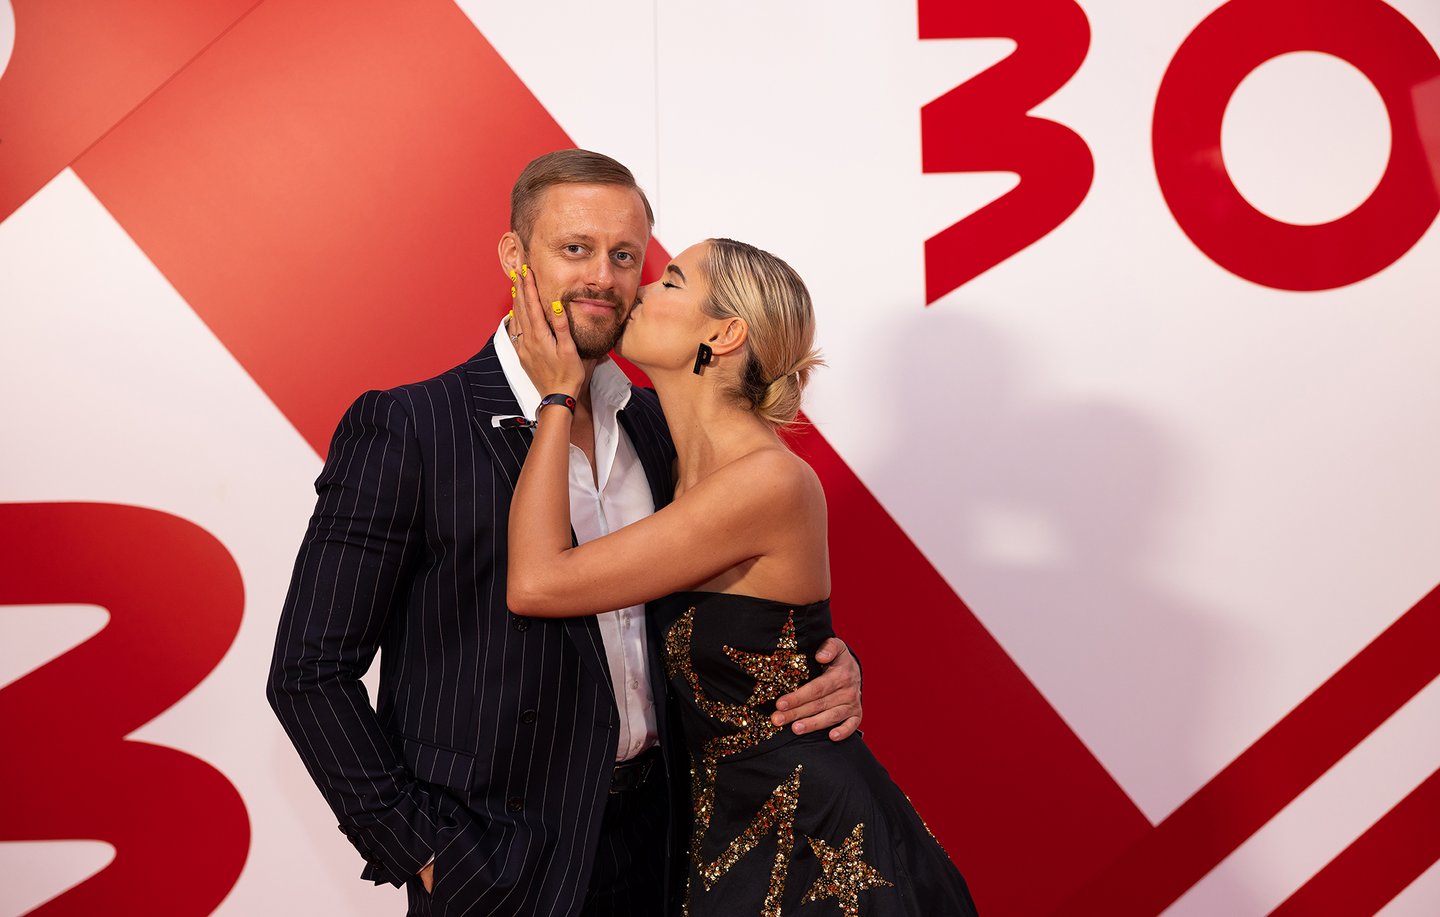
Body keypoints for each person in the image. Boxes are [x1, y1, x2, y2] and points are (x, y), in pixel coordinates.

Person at [266, 150, 864, 917]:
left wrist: (819, 663)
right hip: (500, 865)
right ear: (514, 255)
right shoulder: (413, 426)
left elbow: (739, 588)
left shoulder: (660, 429)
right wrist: (421, 849)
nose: (604, 278)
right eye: (576, 248)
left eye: (626, 256)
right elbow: (309, 670)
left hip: (669, 849)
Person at [505, 237, 981, 916]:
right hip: (721, 841)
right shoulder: (664, 463)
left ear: (724, 334)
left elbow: (538, 582)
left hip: (820, 850)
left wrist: (556, 392)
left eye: (671, 281)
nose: (640, 287)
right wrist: (835, 660)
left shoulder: (767, 482)